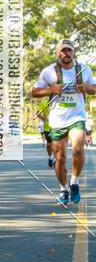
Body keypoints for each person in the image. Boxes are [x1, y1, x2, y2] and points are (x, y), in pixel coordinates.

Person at [31, 39, 96, 205]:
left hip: (77, 116)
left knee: (78, 148)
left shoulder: (84, 70)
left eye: (69, 50)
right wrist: (50, 90)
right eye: (63, 51)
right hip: (57, 120)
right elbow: (34, 91)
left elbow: (95, 88)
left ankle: (74, 182)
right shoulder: (49, 72)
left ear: (73, 52)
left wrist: (88, 89)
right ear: (58, 53)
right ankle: (63, 188)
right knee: (59, 157)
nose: (66, 53)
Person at [36, 98, 54, 167]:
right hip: (48, 128)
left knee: (57, 144)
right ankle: (50, 157)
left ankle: (56, 158)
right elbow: (38, 113)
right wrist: (44, 118)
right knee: (49, 145)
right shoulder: (44, 103)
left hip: (58, 127)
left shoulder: (60, 102)